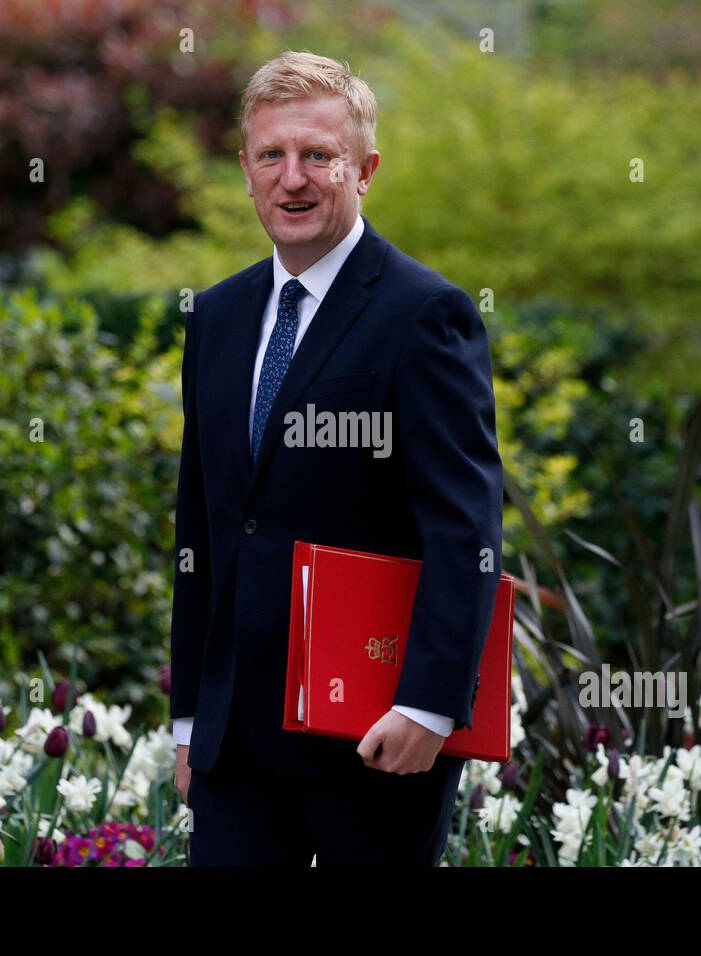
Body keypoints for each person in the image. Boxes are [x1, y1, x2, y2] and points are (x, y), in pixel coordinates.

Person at [169, 50, 503, 865]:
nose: (294, 178)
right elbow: (205, 527)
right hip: (236, 750)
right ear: (245, 170)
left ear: (365, 169)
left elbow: (465, 527)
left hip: (375, 738)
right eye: (272, 156)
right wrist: (190, 720)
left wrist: (428, 708)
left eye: (318, 155)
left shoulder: (426, 314)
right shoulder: (214, 318)